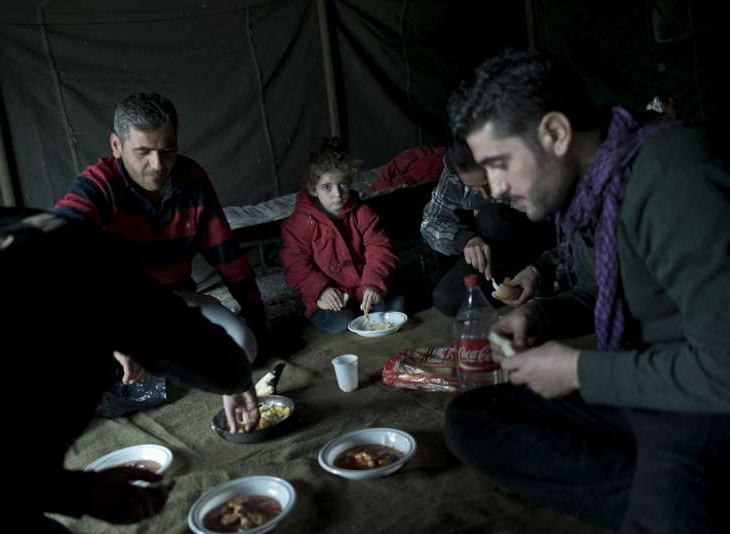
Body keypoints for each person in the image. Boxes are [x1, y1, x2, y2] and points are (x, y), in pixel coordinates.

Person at [443, 48, 730, 533]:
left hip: (700, 403)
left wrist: (578, 370)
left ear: (555, 133)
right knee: (473, 419)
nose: (494, 188)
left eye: (499, 164)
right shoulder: (596, 189)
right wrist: (542, 315)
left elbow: (723, 368)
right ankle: (662, 492)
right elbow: (607, 291)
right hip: (643, 386)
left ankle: (670, 496)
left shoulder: (674, 175)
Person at [0, 207, 260, 533]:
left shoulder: (58, 250)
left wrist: (80, 492)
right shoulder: (93, 275)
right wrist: (234, 379)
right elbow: (205, 351)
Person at [54, 92, 268, 379]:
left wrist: (257, 318)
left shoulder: (192, 178)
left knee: (244, 347)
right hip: (117, 309)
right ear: (116, 145)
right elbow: (56, 245)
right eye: (143, 152)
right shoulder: (98, 185)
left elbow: (226, 255)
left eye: (168, 150)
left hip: (174, 302)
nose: (158, 165)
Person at [279, 138, 404, 333]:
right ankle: (335, 311)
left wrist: (373, 284)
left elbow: (380, 249)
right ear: (313, 189)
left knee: (397, 306)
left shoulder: (363, 213)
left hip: (363, 288)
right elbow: (296, 264)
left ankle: (365, 307)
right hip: (330, 295)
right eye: (327, 187)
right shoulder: (297, 224)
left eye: (343, 185)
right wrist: (322, 290)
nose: (337, 194)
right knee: (340, 322)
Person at [420, 138, 557, 315]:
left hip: (544, 247)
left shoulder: (531, 161)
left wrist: (540, 268)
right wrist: (464, 240)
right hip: (498, 256)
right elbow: (431, 221)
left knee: (492, 215)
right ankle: (513, 288)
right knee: (447, 298)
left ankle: (543, 283)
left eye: (489, 183)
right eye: (475, 188)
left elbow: (574, 236)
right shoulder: (456, 170)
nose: (486, 195)